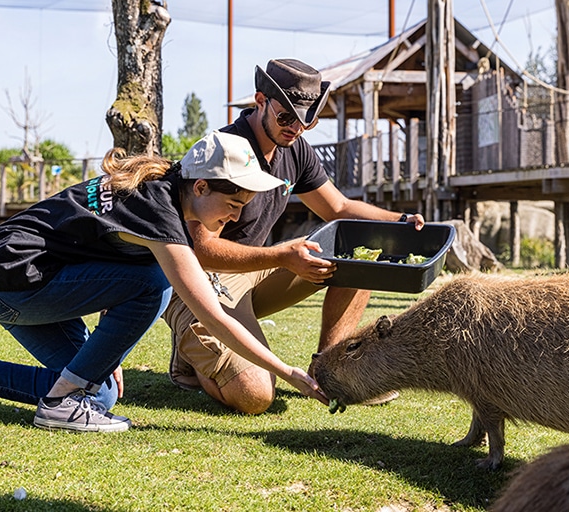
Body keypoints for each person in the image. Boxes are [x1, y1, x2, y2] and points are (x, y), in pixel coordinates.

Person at [0, 131, 327, 432]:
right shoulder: (160, 213)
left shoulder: (163, 185)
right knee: (157, 283)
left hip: (36, 276)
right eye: (233, 204)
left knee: (98, 396)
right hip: (8, 281)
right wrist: (287, 371)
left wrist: (103, 352)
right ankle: (58, 403)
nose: (235, 218)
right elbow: (213, 315)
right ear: (200, 186)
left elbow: (101, 256)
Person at [164, 58, 424, 415]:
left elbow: (339, 208)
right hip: (198, 282)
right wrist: (283, 256)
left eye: (307, 121)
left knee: (357, 263)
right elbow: (202, 249)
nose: (295, 128)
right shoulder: (226, 150)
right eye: (286, 117)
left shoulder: (294, 148)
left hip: (251, 273)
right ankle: (191, 356)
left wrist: (401, 220)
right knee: (255, 396)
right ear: (260, 101)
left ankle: (330, 373)